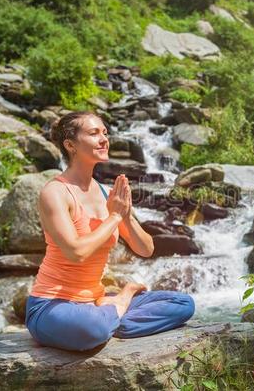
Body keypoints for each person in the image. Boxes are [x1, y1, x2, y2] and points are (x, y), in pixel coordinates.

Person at [25, 111, 195, 351]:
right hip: (52, 305)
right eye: (94, 133)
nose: (104, 139)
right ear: (70, 145)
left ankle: (110, 316)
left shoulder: (106, 193)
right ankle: (120, 303)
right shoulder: (55, 192)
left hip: (95, 302)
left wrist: (125, 215)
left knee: (182, 303)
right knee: (92, 330)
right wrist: (114, 216)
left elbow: (146, 249)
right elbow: (76, 252)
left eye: (105, 132)